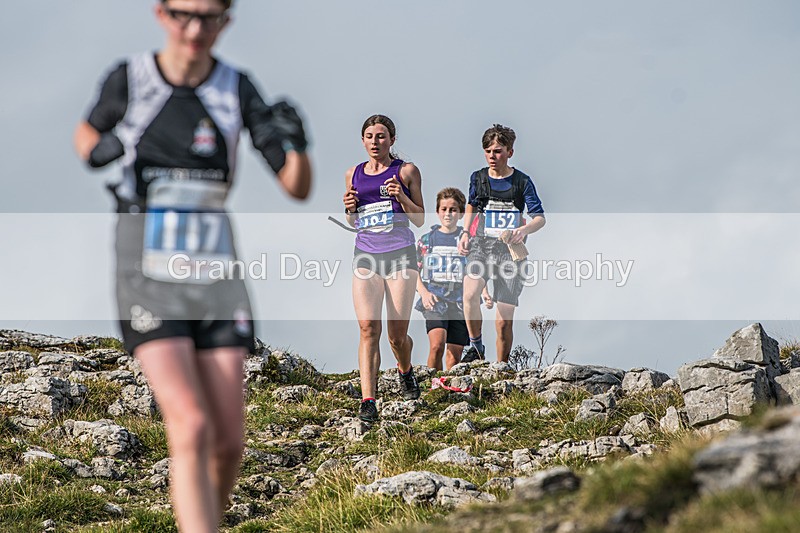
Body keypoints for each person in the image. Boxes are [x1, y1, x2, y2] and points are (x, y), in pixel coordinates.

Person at [73, 1, 311, 531]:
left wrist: (297, 142)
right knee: (192, 425)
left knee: (228, 442)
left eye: (210, 16)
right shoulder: (131, 78)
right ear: (161, 14)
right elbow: (86, 136)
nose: (195, 28)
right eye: (184, 14)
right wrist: (104, 148)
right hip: (146, 262)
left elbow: (296, 186)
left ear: (227, 20)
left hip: (216, 267)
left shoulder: (235, 87)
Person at [343, 114, 425, 423]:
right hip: (366, 255)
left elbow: (419, 219)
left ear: (391, 139)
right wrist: (349, 208)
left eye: (381, 136)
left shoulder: (405, 171)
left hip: (401, 256)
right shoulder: (353, 173)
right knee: (368, 328)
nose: (375, 142)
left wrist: (401, 196)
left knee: (396, 336)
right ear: (362, 140)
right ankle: (368, 401)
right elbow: (353, 221)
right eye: (369, 136)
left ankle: (405, 371)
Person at [457, 124, 545, 364]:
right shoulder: (478, 178)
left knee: (504, 320)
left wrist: (523, 229)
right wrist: (465, 231)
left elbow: (540, 218)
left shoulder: (522, 181)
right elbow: (472, 205)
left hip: (510, 252)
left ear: (509, 152)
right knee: (469, 294)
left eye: (497, 151)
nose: (492, 157)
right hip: (482, 246)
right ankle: (475, 347)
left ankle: (502, 367)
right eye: (488, 151)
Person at [415, 187, 493, 371]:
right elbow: (413, 271)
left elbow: (476, 270)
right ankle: (432, 382)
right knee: (436, 345)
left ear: (461, 214)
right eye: (444, 209)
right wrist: (424, 293)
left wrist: (484, 291)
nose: (448, 214)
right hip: (435, 299)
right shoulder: (426, 240)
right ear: (437, 211)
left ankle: (449, 390)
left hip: (460, 302)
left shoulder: (469, 241)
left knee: (454, 355)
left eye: (453, 210)